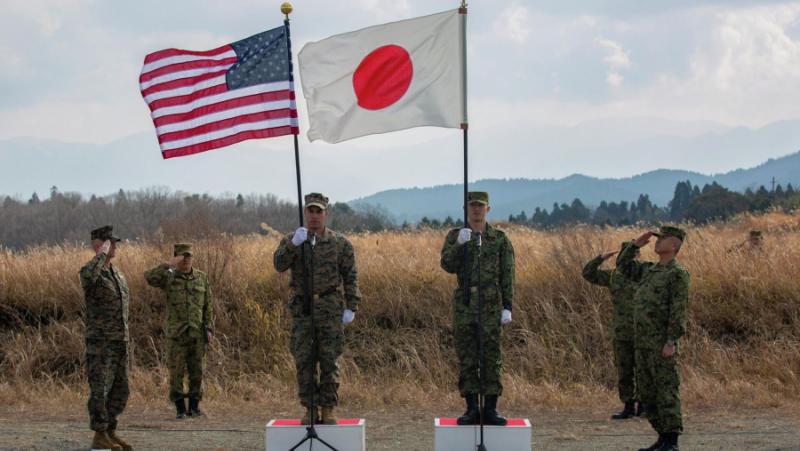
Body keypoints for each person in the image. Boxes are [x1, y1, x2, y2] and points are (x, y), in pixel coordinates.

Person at [273, 193, 362, 425]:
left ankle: (328, 407)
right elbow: (279, 265)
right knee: (305, 360)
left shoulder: (339, 243)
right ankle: (310, 408)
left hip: (329, 306)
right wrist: (293, 245)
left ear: (326, 213)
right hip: (303, 308)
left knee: (330, 359)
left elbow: (351, 275)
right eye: (310, 211)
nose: (314, 216)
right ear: (305, 213)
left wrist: (352, 305)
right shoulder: (295, 239)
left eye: (319, 211)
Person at [440, 191, 514, 426]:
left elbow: (508, 274)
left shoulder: (499, 239)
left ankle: (490, 409)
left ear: (488, 209)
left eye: (480, 206)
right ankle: (472, 408)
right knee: (468, 357)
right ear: (466, 209)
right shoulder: (456, 236)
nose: (476, 210)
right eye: (472, 206)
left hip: (491, 303)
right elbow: (447, 265)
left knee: (491, 357)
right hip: (465, 302)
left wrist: (508, 306)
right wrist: (460, 245)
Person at [617, 226, 690, 451]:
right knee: (648, 393)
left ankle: (672, 440)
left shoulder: (676, 273)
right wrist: (635, 245)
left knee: (666, 390)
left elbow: (678, 310)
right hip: (643, 343)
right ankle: (661, 436)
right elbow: (623, 266)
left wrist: (671, 341)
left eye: (663, 239)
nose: (658, 242)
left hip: (660, 344)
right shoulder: (650, 270)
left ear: (674, 245)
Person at [145, 243, 214, 419]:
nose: (186, 260)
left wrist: (209, 327)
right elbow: (149, 277)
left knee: (197, 372)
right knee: (176, 373)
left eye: (188, 256)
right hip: (176, 334)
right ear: (176, 258)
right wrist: (168, 264)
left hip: (197, 333)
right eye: (182, 256)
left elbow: (208, 305)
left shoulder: (201, 278)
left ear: (193, 257)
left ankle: (194, 407)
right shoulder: (169, 277)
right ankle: (180, 409)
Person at [80, 225, 132, 451]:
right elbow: (86, 276)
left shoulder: (116, 274)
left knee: (120, 389)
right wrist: (100, 254)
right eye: (110, 242)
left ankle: (110, 431)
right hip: (100, 343)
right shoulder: (91, 272)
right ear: (98, 244)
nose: (115, 246)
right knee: (100, 390)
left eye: (115, 242)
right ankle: (99, 435)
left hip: (119, 341)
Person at [582, 242, 642, 419]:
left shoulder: (646, 274)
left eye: (633, 254)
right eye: (625, 254)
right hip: (622, 331)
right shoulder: (614, 276)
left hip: (644, 330)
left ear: (638, 255)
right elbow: (588, 274)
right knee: (624, 370)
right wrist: (600, 258)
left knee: (644, 370)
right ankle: (628, 406)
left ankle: (644, 406)